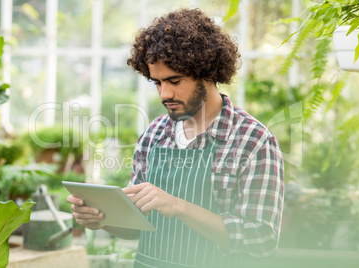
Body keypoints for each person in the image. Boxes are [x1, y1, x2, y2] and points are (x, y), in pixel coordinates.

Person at [67, 8, 284, 268]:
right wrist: (102, 219)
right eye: (157, 82)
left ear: (208, 71)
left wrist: (178, 206)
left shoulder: (253, 140)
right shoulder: (154, 134)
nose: (164, 94)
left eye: (174, 80)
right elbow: (136, 226)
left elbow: (262, 242)